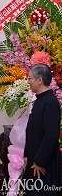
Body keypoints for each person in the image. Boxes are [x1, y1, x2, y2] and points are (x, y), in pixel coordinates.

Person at [23, 63, 61, 195]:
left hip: (44, 164)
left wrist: (39, 161)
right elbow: (32, 130)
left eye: (29, 78)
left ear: (39, 80)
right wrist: (27, 155)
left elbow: (51, 135)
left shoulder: (50, 102)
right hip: (34, 160)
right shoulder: (40, 100)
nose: (28, 82)